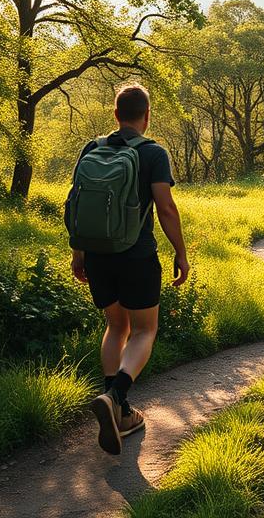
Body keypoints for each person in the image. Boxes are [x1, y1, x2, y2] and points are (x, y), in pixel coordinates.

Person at [69, 83, 189, 455]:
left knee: (115, 326)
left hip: (98, 254)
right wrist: (181, 254)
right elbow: (166, 209)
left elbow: (76, 204)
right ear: (146, 115)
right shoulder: (153, 153)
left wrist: (78, 254)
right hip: (136, 255)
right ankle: (116, 395)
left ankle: (118, 411)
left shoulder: (92, 149)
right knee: (144, 331)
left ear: (115, 114)